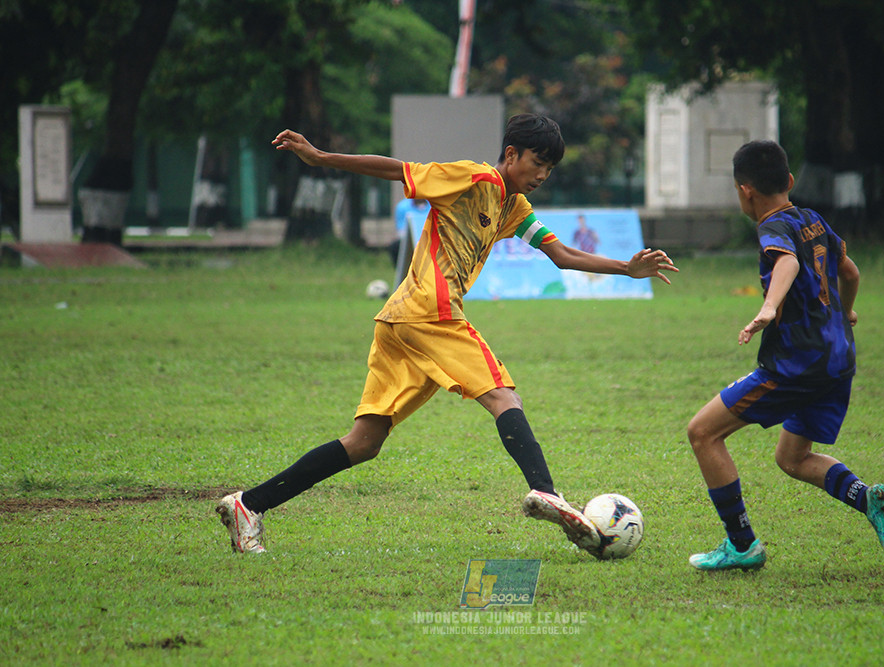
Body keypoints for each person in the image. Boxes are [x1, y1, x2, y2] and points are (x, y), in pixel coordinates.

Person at [216, 114, 679, 556]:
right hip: (429, 312)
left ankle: (248, 505)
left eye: (550, 168)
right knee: (503, 397)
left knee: (363, 443)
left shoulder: (513, 207)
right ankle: (546, 492)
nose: (543, 174)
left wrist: (625, 268)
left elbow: (559, 255)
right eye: (538, 162)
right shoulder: (474, 178)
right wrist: (322, 157)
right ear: (511, 154)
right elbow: (399, 170)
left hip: (400, 321)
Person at [685, 140, 884, 571]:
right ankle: (870, 500)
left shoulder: (772, 228)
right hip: (838, 360)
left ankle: (742, 545)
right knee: (792, 458)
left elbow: (785, 263)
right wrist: (842, 312)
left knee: (702, 433)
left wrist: (769, 306)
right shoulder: (813, 219)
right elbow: (850, 271)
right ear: (789, 181)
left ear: (744, 190)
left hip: (796, 364)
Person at [387, 197, 429, 263]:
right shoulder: (402, 207)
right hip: (411, 240)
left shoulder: (434, 205)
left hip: (431, 238)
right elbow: (401, 231)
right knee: (395, 246)